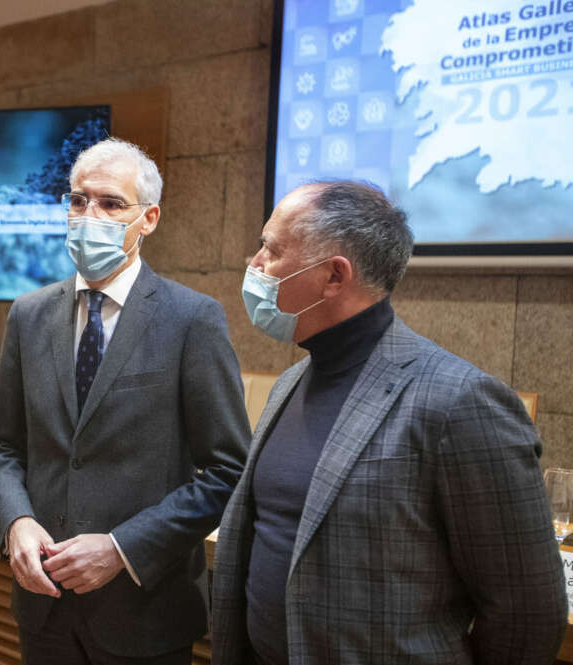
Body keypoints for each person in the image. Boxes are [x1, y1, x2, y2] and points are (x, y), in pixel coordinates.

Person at [211, 180, 567, 665]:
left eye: (270, 251)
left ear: (334, 276)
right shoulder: (291, 382)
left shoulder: (459, 402)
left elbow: (528, 612)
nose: (254, 266)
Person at [0, 137, 249, 665]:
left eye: (110, 203)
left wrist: (121, 549)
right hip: (44, 607)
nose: (89, 215)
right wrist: (16, 520)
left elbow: (228, 470)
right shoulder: (29, 315)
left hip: (144, 612)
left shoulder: (191, 319)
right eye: (79, 200)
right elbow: (5, 447)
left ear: (148, 218)